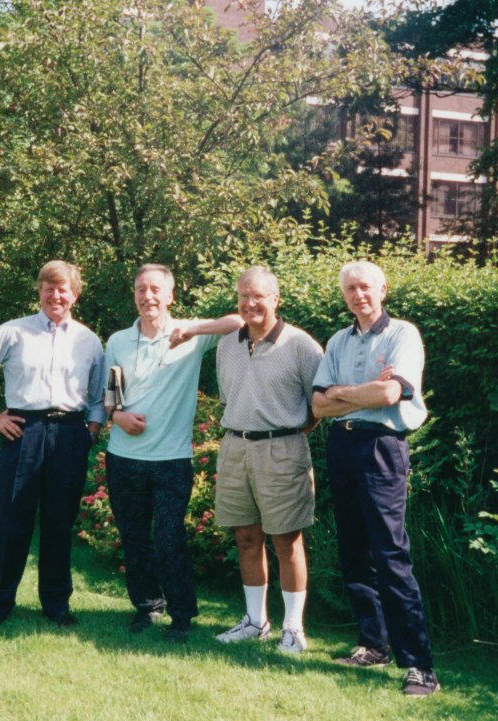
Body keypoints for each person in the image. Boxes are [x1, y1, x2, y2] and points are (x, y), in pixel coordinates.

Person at [311, 260, 439, 696]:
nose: (358, 295)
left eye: (365, 287)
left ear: (382, 289)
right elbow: (317, 407)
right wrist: (362, 393)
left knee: (390, 554)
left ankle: (420, 666)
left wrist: (343, 393)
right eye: (350, 288)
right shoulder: (337, 341)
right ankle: (373, 644)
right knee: (353, 550)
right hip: (342, 447)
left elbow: (391, 393)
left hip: (382, 449)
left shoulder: (403, 335)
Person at [0, 260, 105, 637]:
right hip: (23, 432)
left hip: (70, 434)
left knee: (59, 523)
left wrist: (89, 430)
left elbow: (98, 393)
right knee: (12, 522)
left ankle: (56, 606)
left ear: (75, 294)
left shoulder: (89, 341)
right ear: (39, 290)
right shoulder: (14, 332)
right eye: (48, 288)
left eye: (63, 289)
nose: (55, 295)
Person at [104, 264, 243, 643]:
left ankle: (182, 615)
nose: (147, 296)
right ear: (133, 294)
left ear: (169, 295)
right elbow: (109, 394)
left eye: (155, 290)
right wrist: (118, 416)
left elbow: (238, 321)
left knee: (168, 537)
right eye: (140, 289)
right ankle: (147, 607)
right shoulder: (117, 340)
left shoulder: (190, 334)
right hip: (123, 457)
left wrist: (193, 330)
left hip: (170, 460)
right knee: (133, 538)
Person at [211, 266, 323, 654]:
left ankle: (293, 628)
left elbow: (319, 404)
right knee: (245, 537)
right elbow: (230, 397)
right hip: (235, 447)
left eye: (258, 296)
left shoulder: (301, 346)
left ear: (276, 299)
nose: (249, 303)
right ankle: (255, 622)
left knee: (286, 539)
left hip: (283, 448)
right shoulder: (228, 344)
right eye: (243, 295)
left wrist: (287, 434)